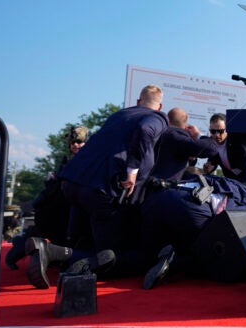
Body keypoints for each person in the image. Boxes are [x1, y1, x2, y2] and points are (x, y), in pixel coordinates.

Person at [43, 85, 168, 288]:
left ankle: (50, 254)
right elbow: (145, 130)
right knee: (108, 256)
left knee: (80, 238)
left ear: (138, 101)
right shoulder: (158, 118)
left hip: (72, 181)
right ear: (160, 106)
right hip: (98, 189)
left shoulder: (120, 115)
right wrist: (133, 170)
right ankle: (54, 255)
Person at [6, 125, 90, 270]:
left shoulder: (83, 160)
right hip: (58, 208)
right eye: (73, 142)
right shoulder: (71, 161)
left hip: (65, 208)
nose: (75, 145)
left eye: (79, 142)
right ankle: (20, 250)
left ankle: (27, 250)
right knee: (49, 232)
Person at [149, 107, 218, 183]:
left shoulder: (157, 132)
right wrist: (198, 135)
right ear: (186, 124)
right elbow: (212, 148)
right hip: (162, 187)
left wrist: (190, 158)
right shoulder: (175, 137)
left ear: (168, 119)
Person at [203, 113, 246, 183]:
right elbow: (213, 160)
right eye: (213, 131)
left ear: (227, 129)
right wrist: (209, 167)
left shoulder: (237, 140)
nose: (217, 135)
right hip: (230, 179)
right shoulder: (211, 142)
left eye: (220, 131)